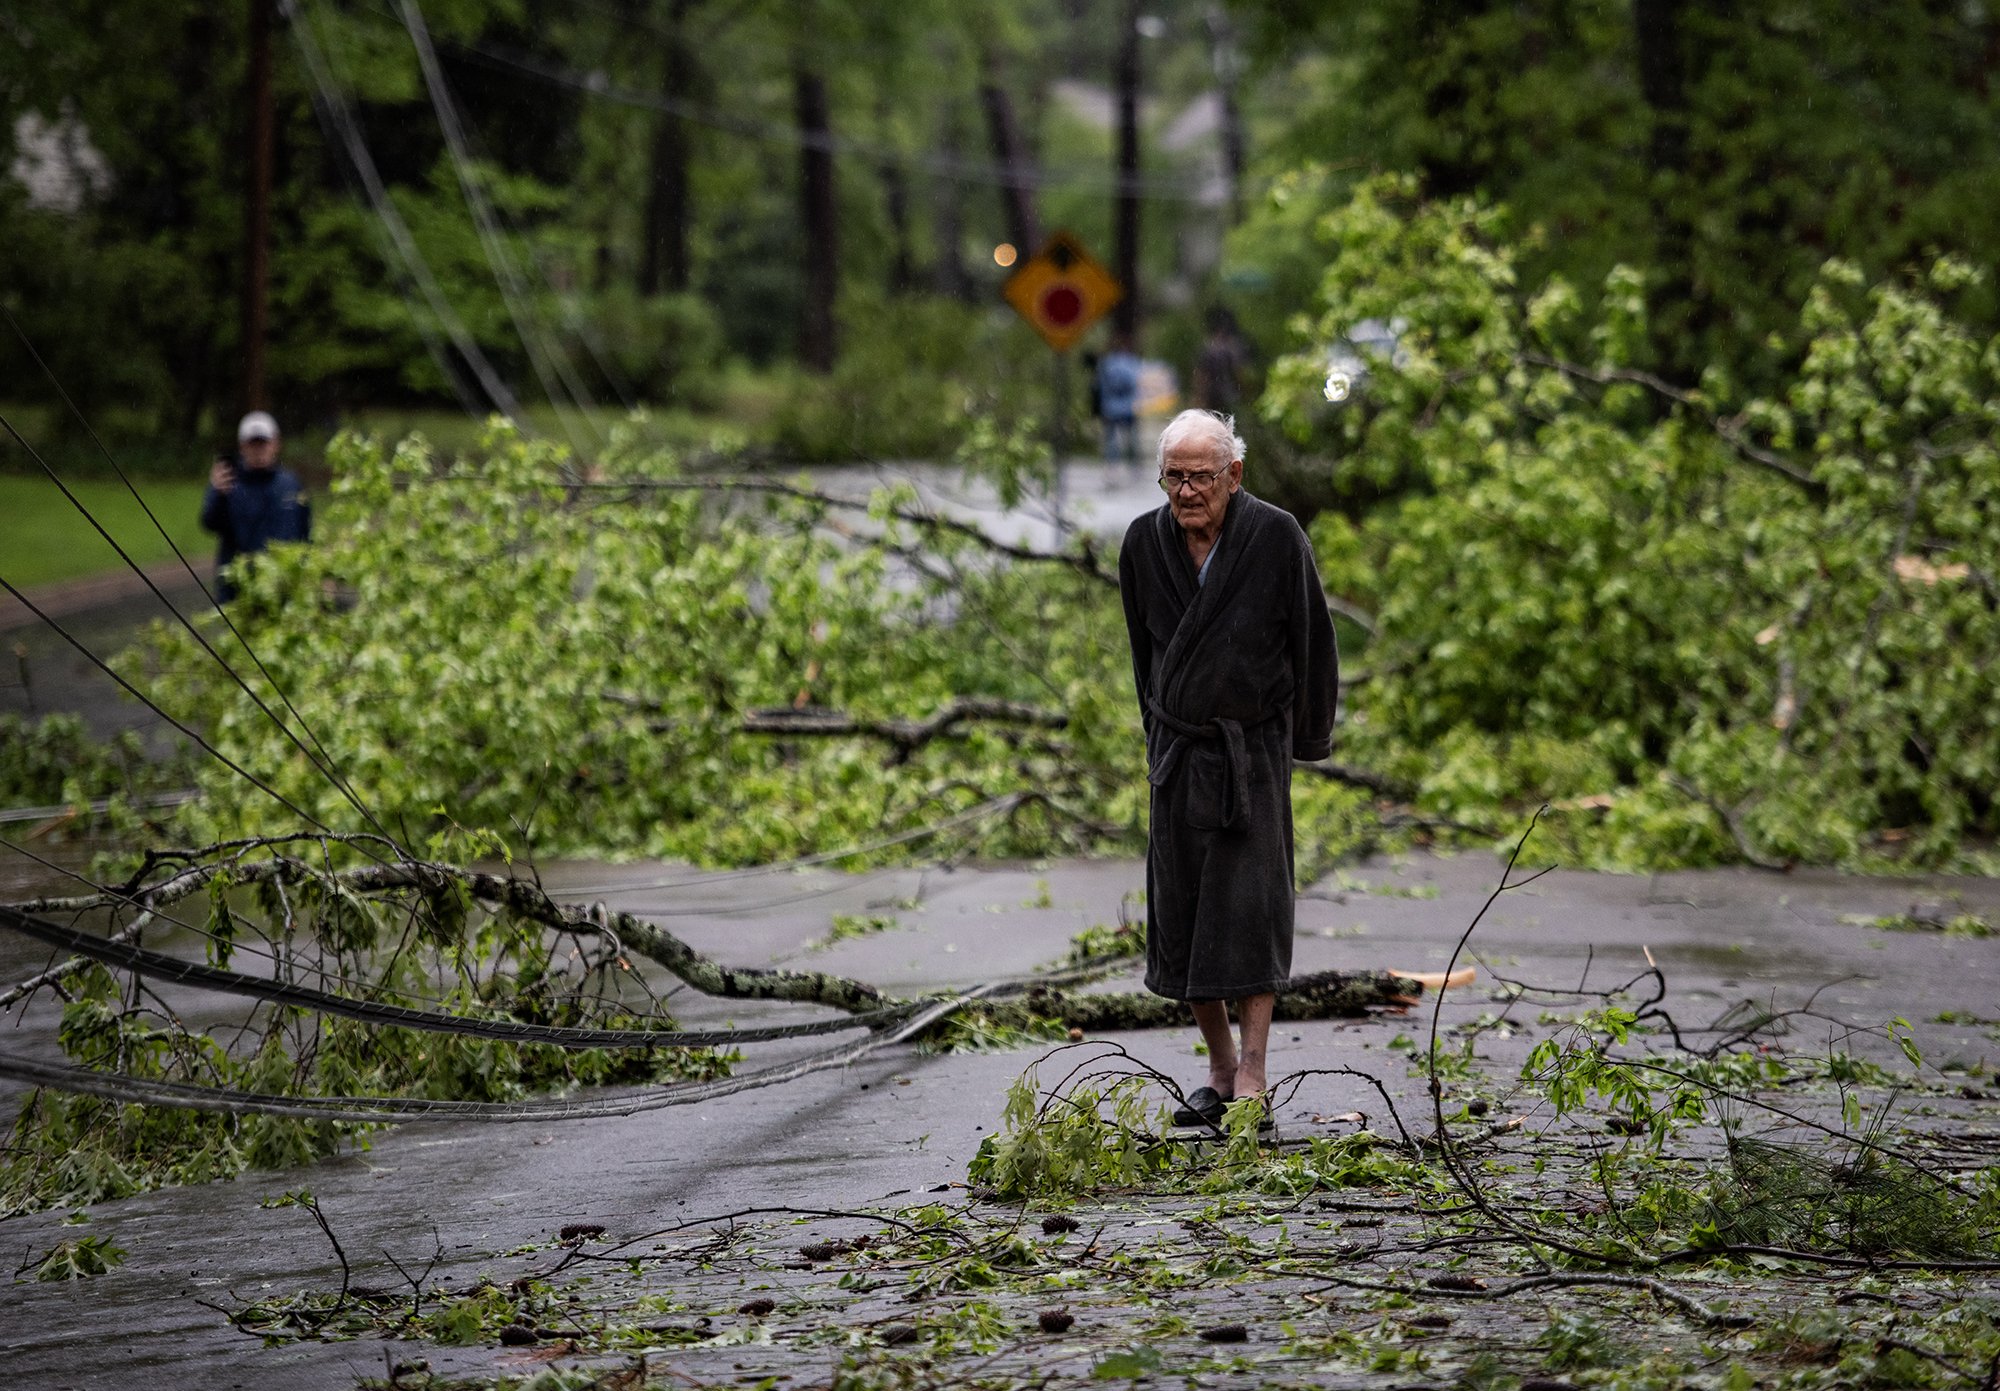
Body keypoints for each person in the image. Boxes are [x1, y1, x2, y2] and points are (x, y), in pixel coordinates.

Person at [1117, 409, 1339, 1130]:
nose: (1186, 491)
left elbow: (1314, 645)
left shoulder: (1276, 538)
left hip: (1254, 754)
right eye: (1174, 477)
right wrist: (1158, 742)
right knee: (1182, 916)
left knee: (1251, 912)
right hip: (1180, 755)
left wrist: (1302, 742)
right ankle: (1216, 1066)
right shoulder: (1143, 546)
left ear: (1234, 476)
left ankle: (1253, 1072)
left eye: (1201, 477)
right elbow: (1143, 658)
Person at [200, 410, 311, 602]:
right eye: (253, 444)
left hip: (284, 587)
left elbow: (306, 531)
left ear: (275, 444)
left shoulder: (290, 484)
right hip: (240, 589)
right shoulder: (229, 483)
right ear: (242, 446)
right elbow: (210, 522)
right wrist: (218, 495)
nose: (258, 450)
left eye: (263, 444)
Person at [1095, 335, 1141, 463]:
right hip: (1129, 407)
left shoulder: (1106, 363)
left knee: (1111, 439)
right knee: (1131, 439)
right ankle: (1134, 465)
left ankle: (1112, 466)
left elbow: (1101, 386)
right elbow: (1137, 384)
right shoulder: (1132, 362)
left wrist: (1102, 406)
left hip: (1111, 407)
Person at [1193, 308, 1248, 413]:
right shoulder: (1233, 347)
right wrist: (1244, 392)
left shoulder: (1207, 347)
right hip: (1229, 394)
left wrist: (1199, 396)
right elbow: (1239, 372)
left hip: (1211, 394)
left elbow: (1200, 375)